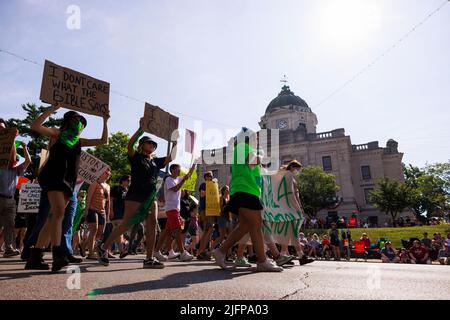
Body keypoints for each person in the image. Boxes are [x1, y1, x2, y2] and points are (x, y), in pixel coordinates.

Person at [27, 106, 108, 271]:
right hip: (53, 177)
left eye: (81, 122)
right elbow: (35, 126)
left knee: (53, 218)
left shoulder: (79, 141)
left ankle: (35, 257)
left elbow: (103, 140)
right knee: (58, 213)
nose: (79, 124)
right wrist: (52, 108)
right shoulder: (57, 135)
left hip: (68, 182)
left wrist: (105, 120)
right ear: (67, 122)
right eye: (75, 120)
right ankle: (58, 255)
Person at [97, 117, 176, 269]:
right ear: (142, 145)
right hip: (135, 196)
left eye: (154, 144)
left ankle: (149, 258)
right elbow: (129, 145)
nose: (152, 145)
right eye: (149, 143)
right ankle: (104, 246)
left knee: (152, 225)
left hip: (150, 197)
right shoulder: (136, 157)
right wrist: (140, 130)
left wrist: (174, 143)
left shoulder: (155, 161)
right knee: (128, 224)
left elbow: (171, 157)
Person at [213, 128, 282, 272]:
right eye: (255, 138)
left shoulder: (245, 149)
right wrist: (261, 154)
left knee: (245, 226)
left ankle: (221, 251)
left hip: (247, 190)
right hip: (244, 190)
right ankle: (262, 261)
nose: (257, 141)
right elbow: (253, 162)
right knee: (256, 224)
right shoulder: (242, 147)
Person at [0, 136, 31, 258]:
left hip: (10, 200)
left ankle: (8, 248)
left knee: (9, 225)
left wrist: (24, 148)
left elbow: (28, 161)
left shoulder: (16, 170)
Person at [162, 163, 196, 261]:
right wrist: (183, 181)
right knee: (177, 230)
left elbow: (188, 175)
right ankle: (182, 252)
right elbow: (175, 189)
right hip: (171, 208)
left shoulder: (178, 179)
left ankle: (165, 252)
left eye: (179, 170)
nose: (179, 171)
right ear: (172, 170)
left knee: (167, 232)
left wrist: (193, 166)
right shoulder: (169, 179)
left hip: (175, 209)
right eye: (178, 170)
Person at [84, 169, 111, 259]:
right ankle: (91, 253)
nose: (107, 173)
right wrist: (86, 211)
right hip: (92, 209)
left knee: (100, 232)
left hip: (102, 211)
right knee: (94, 229)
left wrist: (108, 214)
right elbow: (89, 198)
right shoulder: (94, 183)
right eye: (105, 172)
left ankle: (83, 245)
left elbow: (108, 202)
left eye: (109, 172)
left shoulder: (107, 186)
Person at [196, 171, 217, 260]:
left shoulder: (213, 185)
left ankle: (203, 251)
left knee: (209, 230)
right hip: (205, 210)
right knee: (207, 230)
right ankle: (201, 251)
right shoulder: (203, 185)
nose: (210, 177)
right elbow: (202, 194)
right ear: (205, 177)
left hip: (212, 210)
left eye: (211, 176)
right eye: (208, 176)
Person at [110, 175, 131, 255]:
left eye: (130, 181)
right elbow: (111, 200)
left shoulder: (128, 190)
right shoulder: (116, 188)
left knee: (116, 231)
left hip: (124, 213)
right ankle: (121, 250)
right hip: (116, 211)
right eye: (128, 180)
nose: (129, 182)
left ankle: (104, 247)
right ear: (123, 181)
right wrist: (111, 210)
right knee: (119, 230)